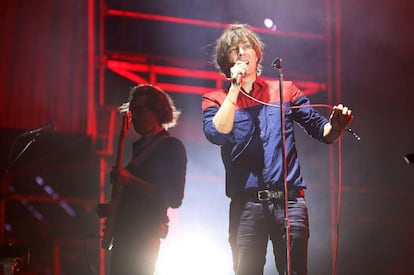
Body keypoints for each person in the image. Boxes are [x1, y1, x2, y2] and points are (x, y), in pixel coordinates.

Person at [201, 24, 353, 275]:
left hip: (289, 202)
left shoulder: (283, 90)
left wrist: (335, 126)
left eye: (246, 47)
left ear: (257, 53)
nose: (242, 53)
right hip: (247, 206)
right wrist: (235, 89)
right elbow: (217, 133)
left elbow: (320, 130)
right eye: (234, 50)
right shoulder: (215, 98)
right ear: (225, 61)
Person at [102, 84, 187, 275]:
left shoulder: (171, 147)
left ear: (157, 111)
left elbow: (174, 198)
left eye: (140, 111)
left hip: (144, 235)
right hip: (123, 234)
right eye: (132, 111)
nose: (135, 117)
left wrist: (129, 180)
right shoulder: (135, 148)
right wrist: (114, 206)